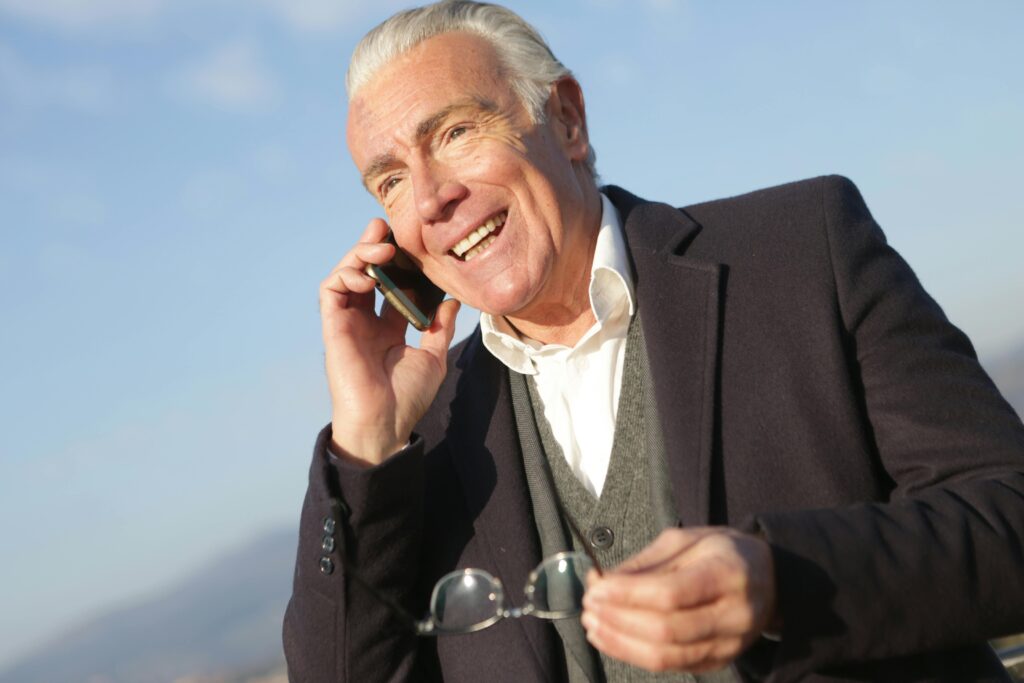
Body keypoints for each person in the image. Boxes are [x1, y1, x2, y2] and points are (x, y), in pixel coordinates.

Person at [283, 2, 1024, 681]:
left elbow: (1009, 516)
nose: (431, 199)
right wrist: (367, 441)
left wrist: (782, 578)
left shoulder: (802, 251)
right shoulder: (425, 440)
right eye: (389, 182)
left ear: (567, 119)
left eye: (454, 133)